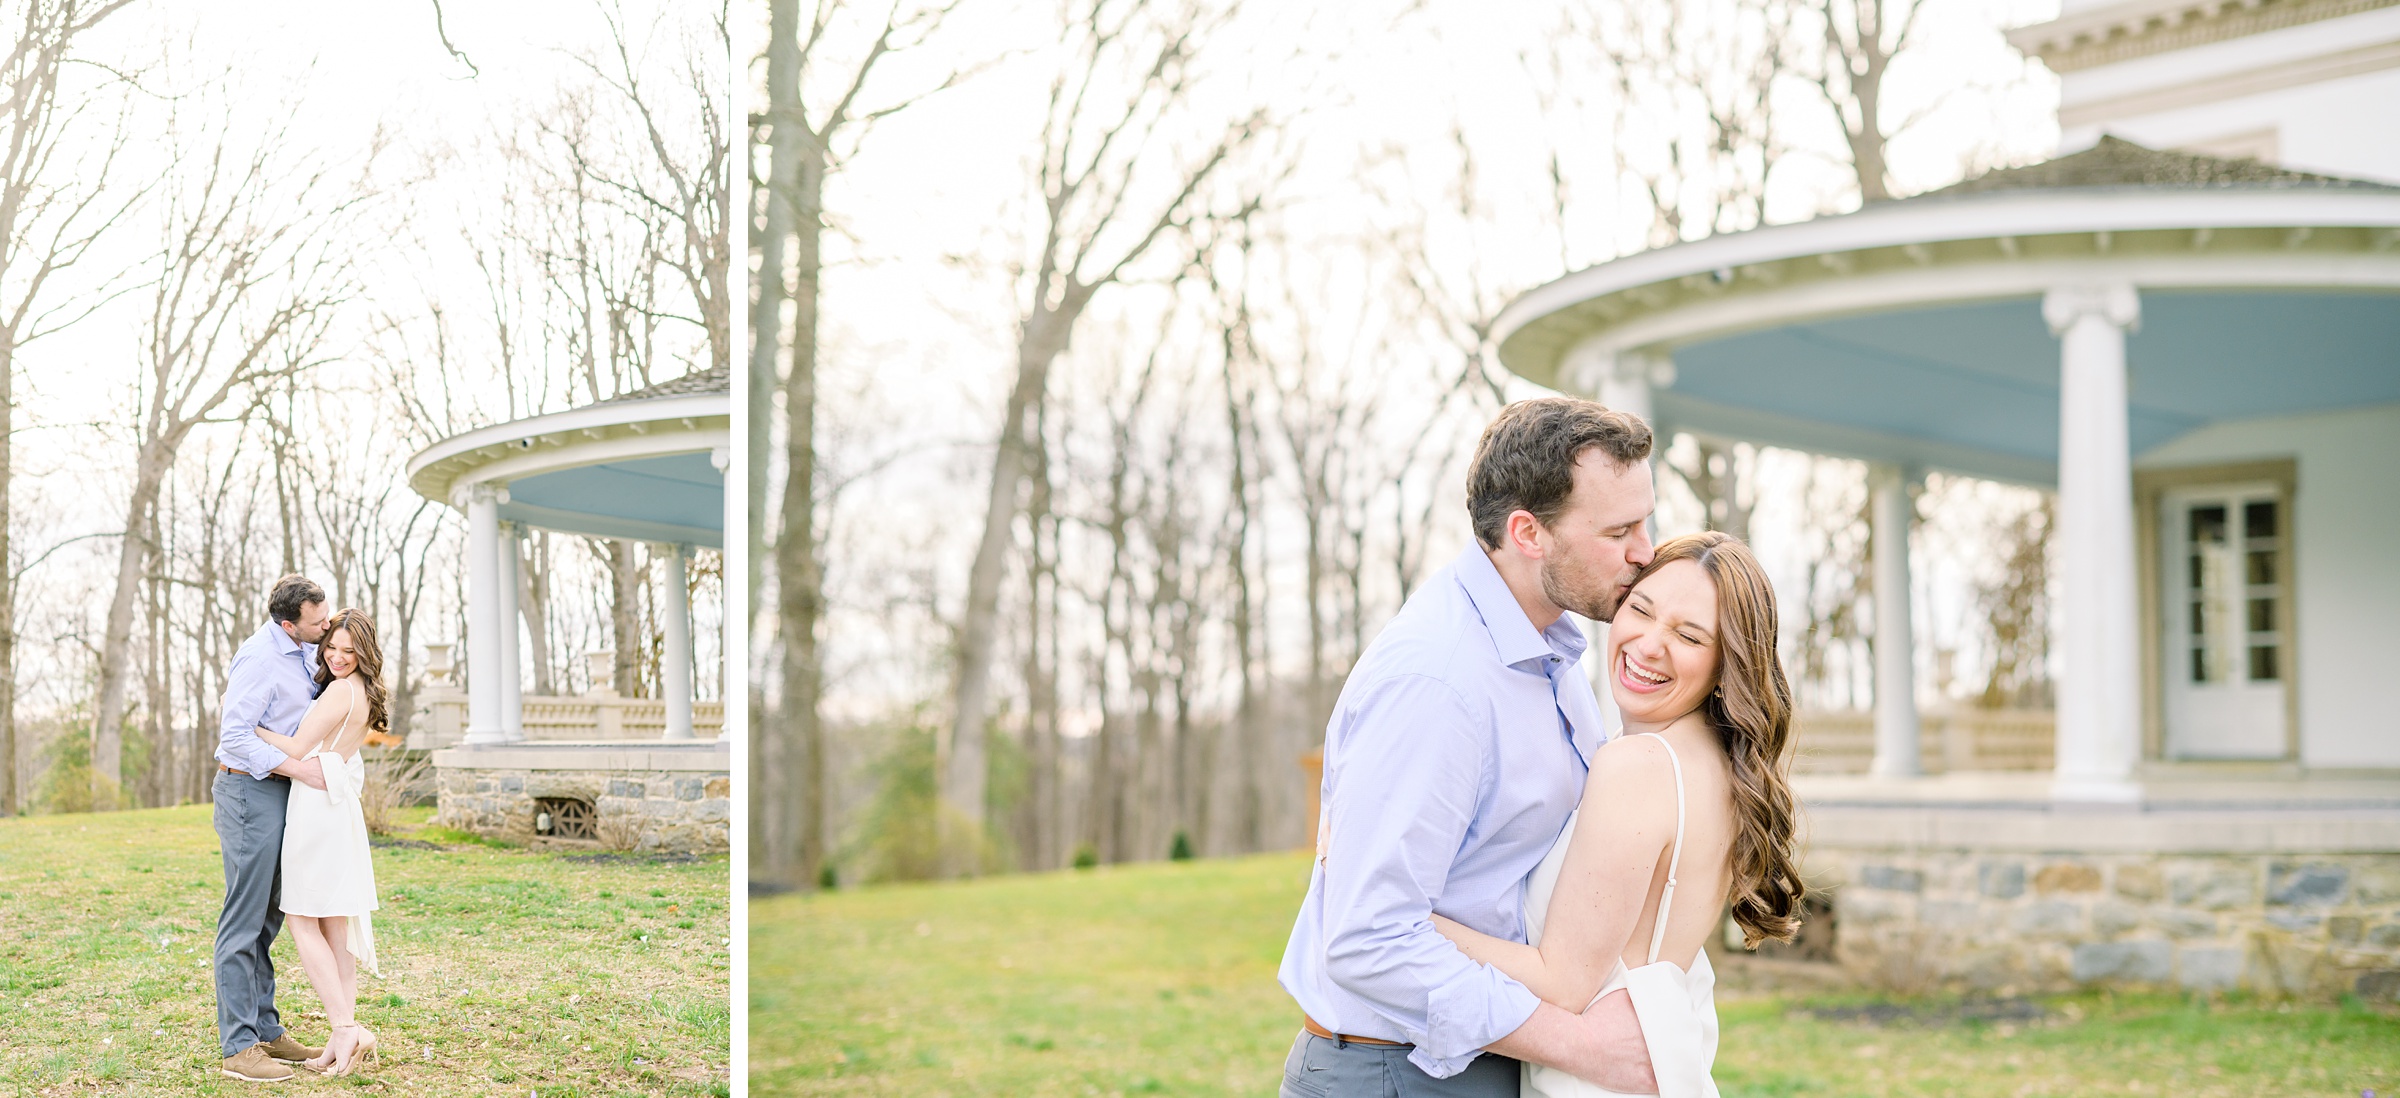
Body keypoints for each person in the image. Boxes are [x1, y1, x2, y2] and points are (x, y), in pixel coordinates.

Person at [1278, 397, 1662, 1097]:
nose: (1646, 550)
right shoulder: (1439, 681)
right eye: (1620, 530)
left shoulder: (1550, 653)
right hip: (1398, 1072)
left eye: (1647, 521)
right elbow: (1368, 939)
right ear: (1527, 533)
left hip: (1476, 1059)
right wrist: (1581, 1046)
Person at [1435, 532, 1806, 1097]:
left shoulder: (1638, 767)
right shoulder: (1720, 769)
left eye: (1688, 635)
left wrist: (1409, 919)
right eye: (1641, 609)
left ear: (1727, 662)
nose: (1649, 644)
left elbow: (1561, 982)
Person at [253, 606, 390, 1077]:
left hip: (315, 806)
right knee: (334, 925)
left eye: (349, 651)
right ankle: (345, 1034)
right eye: (331, 646)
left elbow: (294, 748)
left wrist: (247, 724)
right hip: (335, 803)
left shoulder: (339, 693)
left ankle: (345, 1028)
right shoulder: (365, 692)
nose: (336, 656)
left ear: (364, 653)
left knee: (300, 919)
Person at [212, 575, 334, 1082]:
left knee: (268, 920)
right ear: (289, 624)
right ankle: (239, 1047)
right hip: (248, 792)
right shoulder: (260, 659)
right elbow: (236, 737)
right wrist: (299, 769)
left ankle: (265, 1030)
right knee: (242, 922)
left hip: (282, 793)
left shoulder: (304, 650)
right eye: (317, 621)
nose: (326, 627)